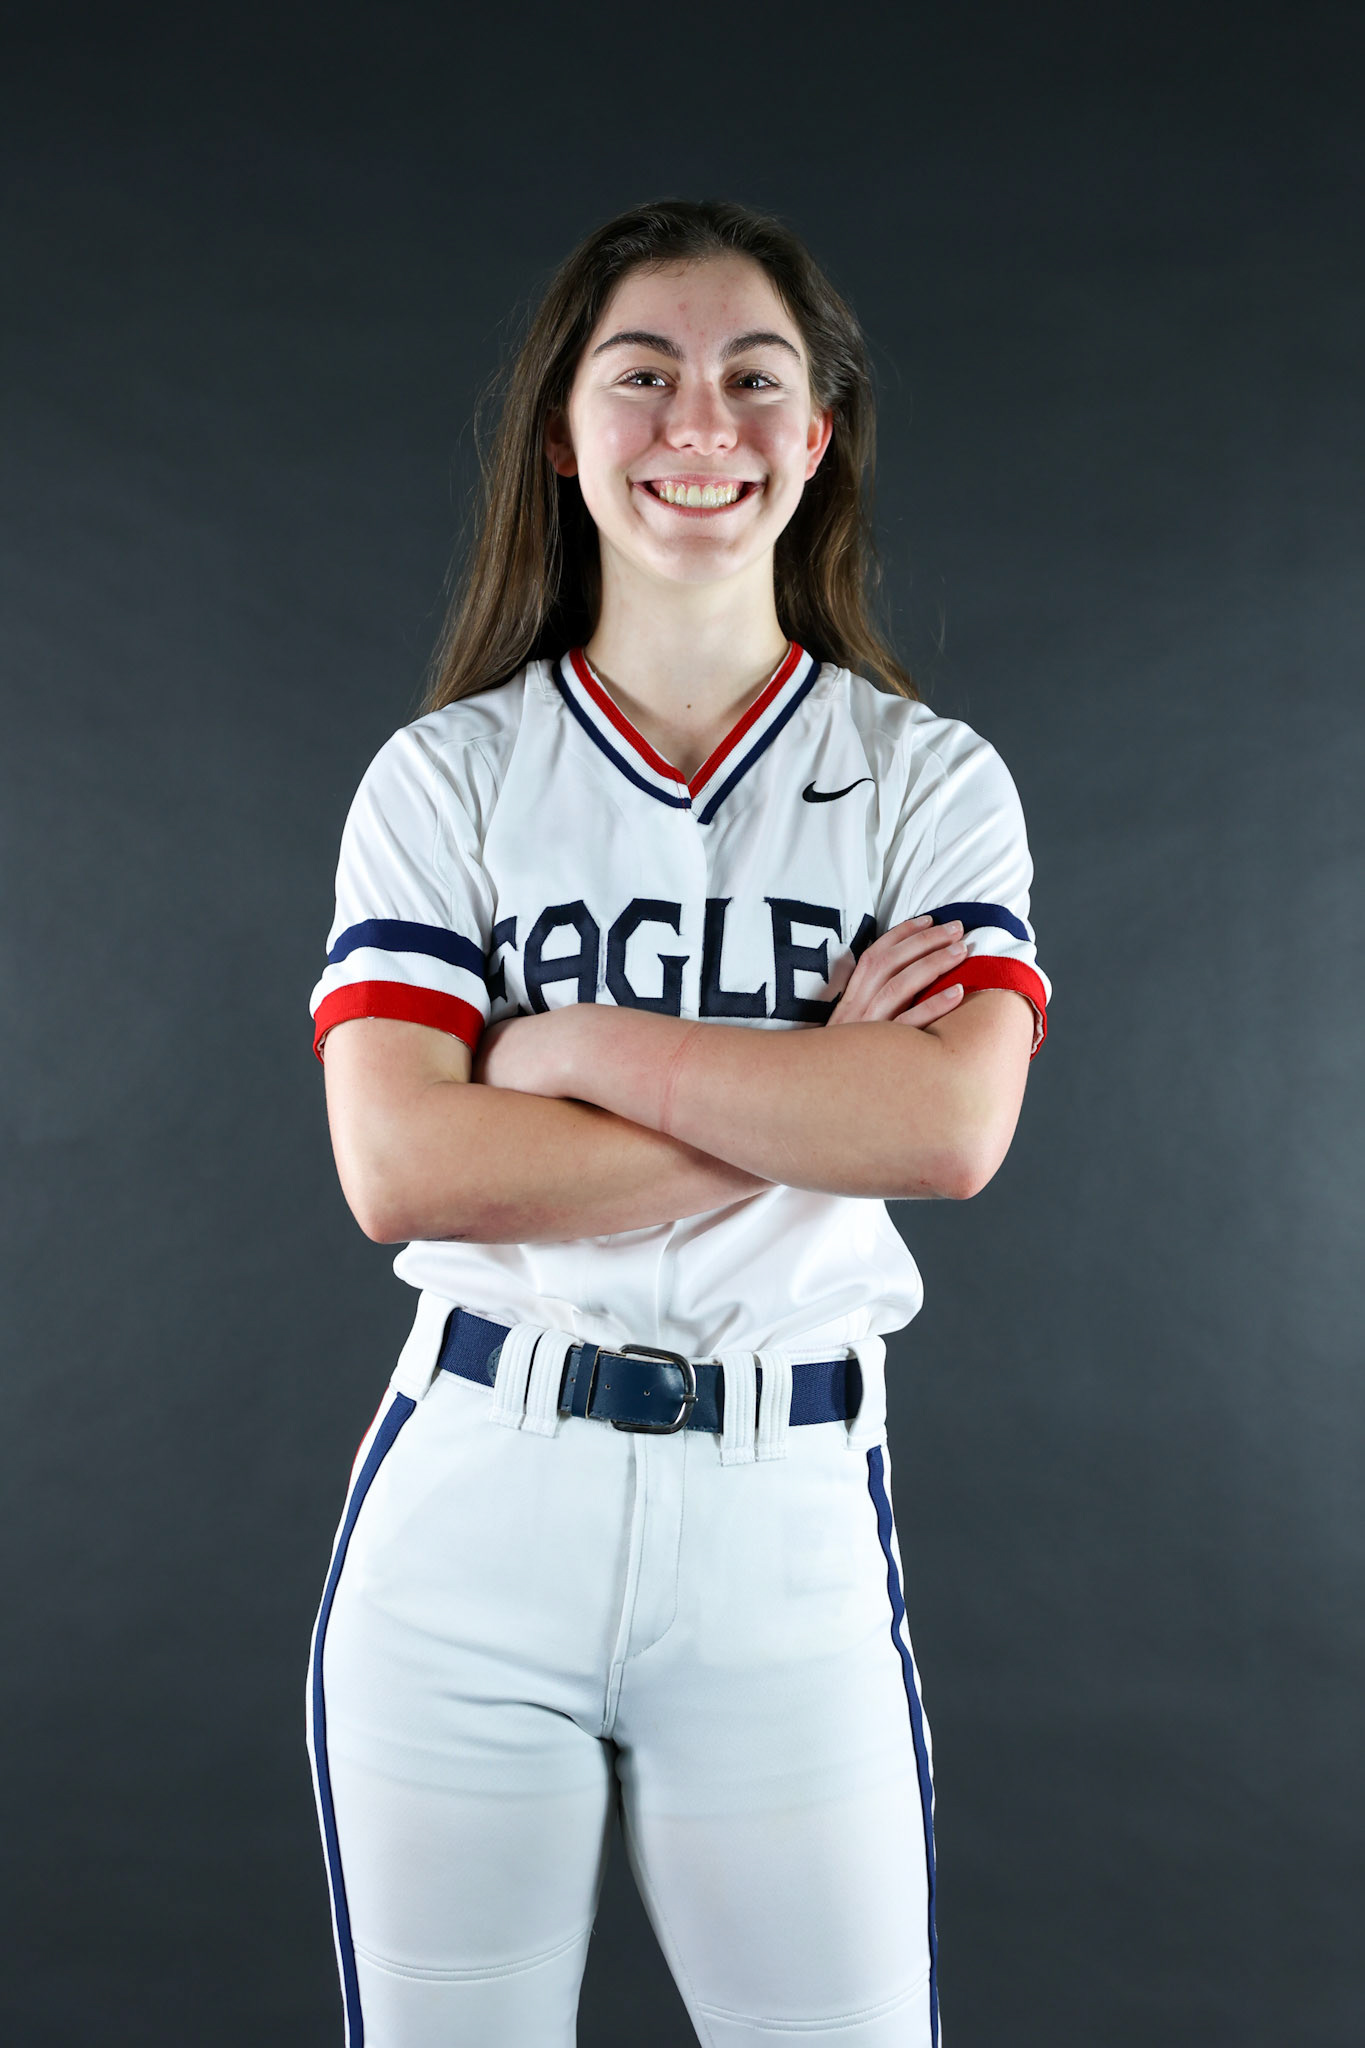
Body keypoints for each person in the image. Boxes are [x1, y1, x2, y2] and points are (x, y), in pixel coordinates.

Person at [305, 198, 1049, 2048]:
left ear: (817, 437)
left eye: (752, 378)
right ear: (564, 438)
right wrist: (812, 1089)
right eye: (640, 376)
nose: (697, 422)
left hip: (781, 1519)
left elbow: (949, 1131)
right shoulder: (449, 776)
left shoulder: (925, 780)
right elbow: (405, 1167)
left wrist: (572, 1046)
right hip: (474, 1514)